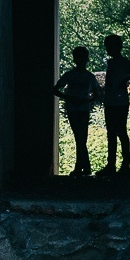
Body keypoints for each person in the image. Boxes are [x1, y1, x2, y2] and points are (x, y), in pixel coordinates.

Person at [52, 45, 100, 177]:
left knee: (79, 137)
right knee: (81, 137)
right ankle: (84, 166)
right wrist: (85, 101)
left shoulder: (70, 75)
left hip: (75, 109)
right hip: (81, 109)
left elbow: (56, 89)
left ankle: (81, 167)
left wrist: (68, 98)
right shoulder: (88, 76)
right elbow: (97, 94)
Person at [100, 33, 130, 176]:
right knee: (114, 133)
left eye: (109, 46)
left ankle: (123, 165)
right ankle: (115, 165)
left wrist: (124, 80)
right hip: (114, 100)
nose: (107, 49)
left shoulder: (121, 62)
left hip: (117, 101)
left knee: (119, 133)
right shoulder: (114, 62)